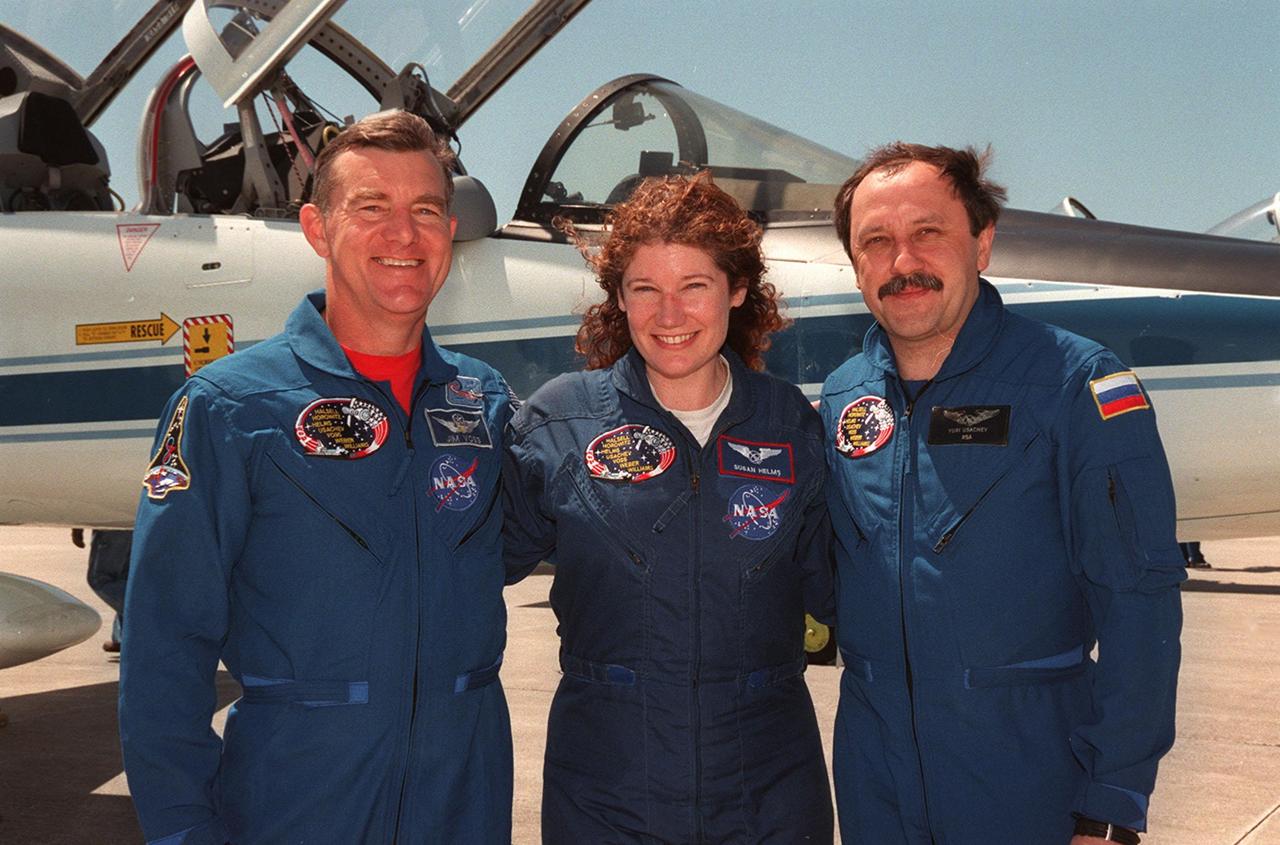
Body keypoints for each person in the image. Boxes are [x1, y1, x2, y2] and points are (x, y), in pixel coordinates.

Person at [119, 110, 516, 844]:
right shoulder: (229, 408)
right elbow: (163, 648)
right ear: (316, 228)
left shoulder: (483, 401)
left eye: (426, 210)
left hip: (464, 803)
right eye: (372, 209)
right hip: (296, 809)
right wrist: (182, 833)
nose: (405, 234)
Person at [820, 143, 1184, 845]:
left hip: (1029, 789)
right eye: (876, 241)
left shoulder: (1074, 384)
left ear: (982, 242)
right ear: (856, 263)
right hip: (876, 792)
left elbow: (1139, 603)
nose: (903, 262)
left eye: (928, 232)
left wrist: (1111, 806)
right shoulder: (841, 399)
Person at [503, 173, 835, 843]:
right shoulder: (558, 423)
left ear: (737, 291)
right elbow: (452, 567)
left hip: (769, 799)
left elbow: (860, 594)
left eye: (695, 286)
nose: (669, 314)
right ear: (619, 299)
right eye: (645, 289)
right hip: (607, 797)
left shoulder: (788, 424)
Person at [83, 528, 132, 653]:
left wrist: (77, 524)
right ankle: (123, 637)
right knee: (124, 576)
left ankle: (150, 618)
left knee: (101, 580)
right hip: (134, 519)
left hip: (116, 523)